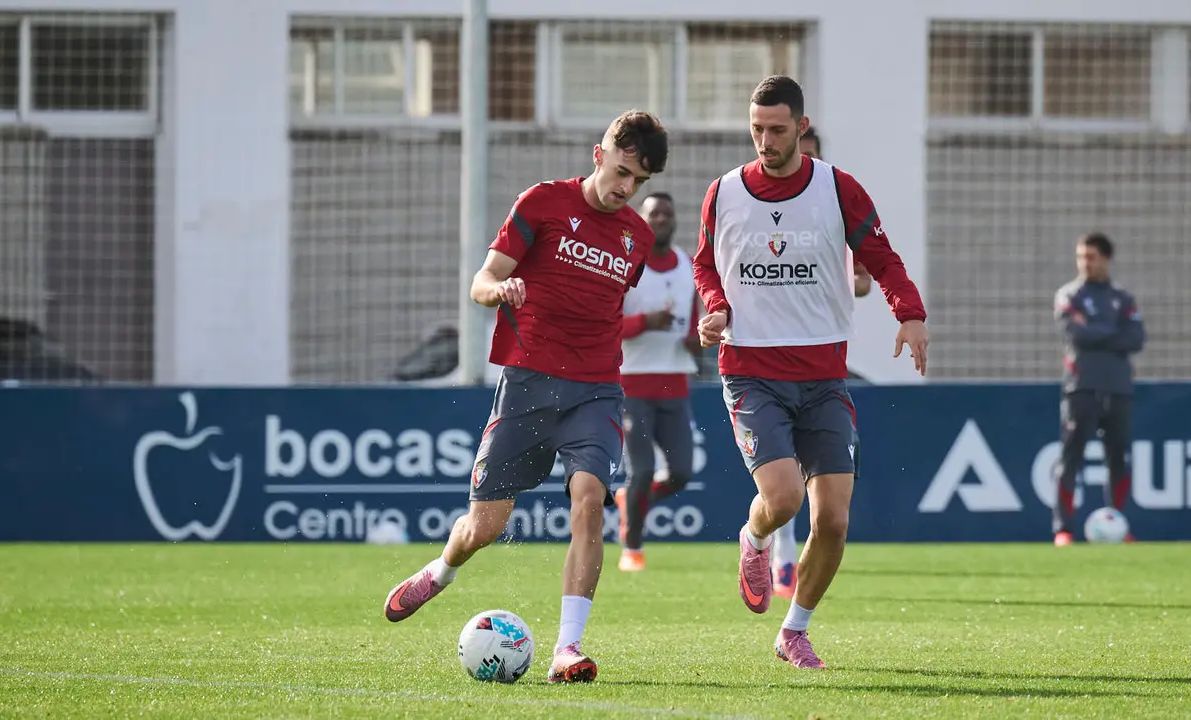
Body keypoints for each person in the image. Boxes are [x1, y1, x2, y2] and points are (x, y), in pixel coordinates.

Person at [382, 110, 669, 684]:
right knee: (483, 527)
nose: (625, 189)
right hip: (528, 385)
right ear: (599, 154)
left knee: (590, 499)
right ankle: (440, 571)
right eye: (620, 172)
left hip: (597, 390)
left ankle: (569, 647)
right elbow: (481, 281)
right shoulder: (541, 203)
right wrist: (501, 289)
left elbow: (608, 309)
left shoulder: (636, 237)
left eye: (638, 181)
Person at [693, 76, 928, 670]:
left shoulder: (837, 188)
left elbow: (882, 257)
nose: (765, 141)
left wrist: (911, 314)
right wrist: (714, 307)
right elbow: (704, 265)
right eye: (756, 130)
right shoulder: (722, 192)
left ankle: (793, 630)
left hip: (824, 376)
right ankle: (755, 537)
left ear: (801, 126)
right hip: (751, 372)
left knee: (834, 519)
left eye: (776, 129)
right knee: (782, 498)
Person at [769, 127, 872, 600]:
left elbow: (866, 280)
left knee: (825, 499)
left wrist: (831, 278)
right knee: (783, 480)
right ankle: (782, 558)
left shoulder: (834, 202)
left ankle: (793, 587)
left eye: (807, 158)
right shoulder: (757, 208)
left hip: (821, 357)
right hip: (767, 362)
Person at [613, 191, 703, 572]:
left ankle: (630, 500)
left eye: (667, 213)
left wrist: (698, 339)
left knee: (682, 471)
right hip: (632, 383)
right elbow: (607, 325)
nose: (660, 219)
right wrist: (645, 322)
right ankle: (632, 547)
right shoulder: (626, 267)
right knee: (643, 469)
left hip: (675, 383)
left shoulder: (687, 265)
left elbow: (700, 322)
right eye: (653, 213)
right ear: (641, 220)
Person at [1051, 232, 1145, 546]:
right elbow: (1077, 335)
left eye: (1090, 257)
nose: (1084, 264)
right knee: (1071, 458)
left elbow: (1136, 339)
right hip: (1082, 387)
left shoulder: (1123, 298)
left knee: (1118, 458)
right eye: (1081, 257)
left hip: (1118, 388)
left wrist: (1097, 330)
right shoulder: (1069, 294)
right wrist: (1111, 332)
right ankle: (1063, 529)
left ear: (1105, 258)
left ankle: (1118, 524)